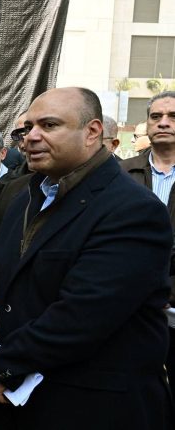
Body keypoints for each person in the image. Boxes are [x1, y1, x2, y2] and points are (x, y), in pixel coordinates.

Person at [0, 87, 175, 430]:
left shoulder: (133, 210)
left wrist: (5, 364)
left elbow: (83, 315)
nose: (32, 137)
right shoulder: (31, 193)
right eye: (28, 128)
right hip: (25, 398)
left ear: (92, 132)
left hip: (92, 405)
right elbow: (2, 254)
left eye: (49, 125)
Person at [120, 90, 175, 399]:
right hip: (129, 307)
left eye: (172, 117)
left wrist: (166, 291)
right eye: (156, 116)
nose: (163, 123)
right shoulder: (121, 173)